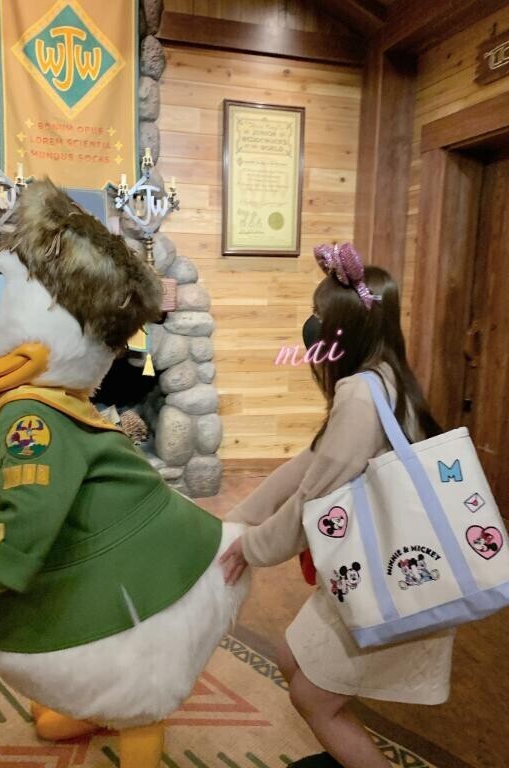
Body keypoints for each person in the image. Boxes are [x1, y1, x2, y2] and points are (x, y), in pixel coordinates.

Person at [220, 243, 455, 768]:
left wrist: (250, 547)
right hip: (370, 569)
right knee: (293, 655)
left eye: (318, 318)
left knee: (313, 698)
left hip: (393, 578)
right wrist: (239, 518)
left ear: (339, 331)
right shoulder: (384, 377)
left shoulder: (360, 396)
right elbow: (312, 462)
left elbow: (315, 495)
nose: (311, 329)